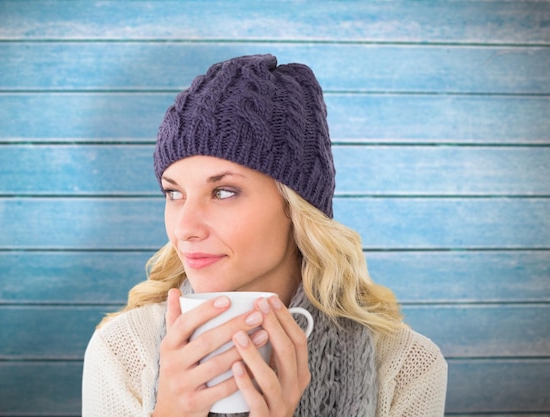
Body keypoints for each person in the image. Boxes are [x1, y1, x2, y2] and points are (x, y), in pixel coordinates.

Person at [82, 54, 448, 417]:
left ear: (295, 207)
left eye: (223, 192)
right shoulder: (124, 350)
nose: (185, 229)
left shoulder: (405, 365)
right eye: (174, 193)